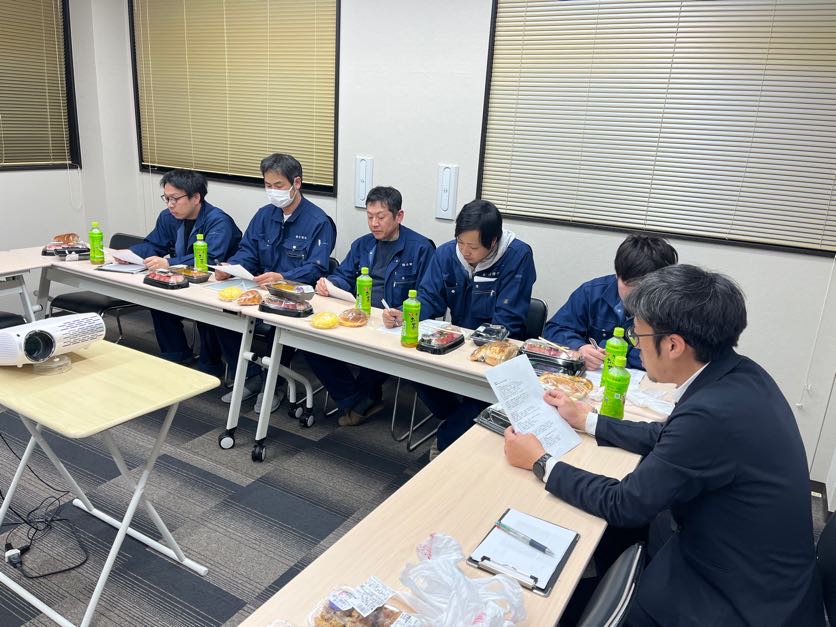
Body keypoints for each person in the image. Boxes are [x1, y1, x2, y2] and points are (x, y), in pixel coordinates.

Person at [504, 264, 823, 626]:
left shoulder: (712, 414)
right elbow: (668, 436)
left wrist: (541, 462)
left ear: (673, 345)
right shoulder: (740, 374)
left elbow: (625, 503)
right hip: (754, 562)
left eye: (637, 334)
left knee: (583, 567)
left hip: (740, 597)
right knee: (616, 539)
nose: (633, 343)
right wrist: (587, 420)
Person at [386, 199, 536, 456]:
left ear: (493, 241)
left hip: (496, 353)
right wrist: (404, 313)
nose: (465, 252)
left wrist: (472, 346)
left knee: (480, 396)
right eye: (460, 242)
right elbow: (430, 298)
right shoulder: (447, 254)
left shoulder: (517, 255)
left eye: (473, 247)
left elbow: (507, 320)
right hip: (455, 345)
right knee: (415, 368)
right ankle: (459, 420)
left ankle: (449, 436)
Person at [214, 153, 335, 412]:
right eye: (268, 185)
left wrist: (282, 278)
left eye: (278, 185)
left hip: (294, 297)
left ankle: (274, 384)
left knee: (277, 325)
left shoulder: (319, 222)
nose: (272, 191)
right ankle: (251, 377)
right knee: (223, 314)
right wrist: (230, 268)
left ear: (296, 183)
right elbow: (248, 251)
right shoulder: (264, 215)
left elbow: (317, 268)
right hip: (260, 290)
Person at [305, 186, 435, 426]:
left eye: (381, 217)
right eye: (370, 216)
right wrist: (330, 284)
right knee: (310, 342)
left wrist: (401, 314)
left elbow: (428, 296)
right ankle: (357, 398)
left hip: (392, 325)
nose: (374, 223)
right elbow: (344, 275)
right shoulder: (362, 245)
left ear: (399, 216)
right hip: (359, 317)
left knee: (378, 349)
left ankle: (361, 399)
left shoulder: (420, 248)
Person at [126, 169, 241, 375]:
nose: (170, 205)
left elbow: (209, 259)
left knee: (208, 312)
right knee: (159, 300)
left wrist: (169, 263)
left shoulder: (218, 221)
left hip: (217, 284)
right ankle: (176, 355)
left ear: (196, 197)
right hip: (185, 280)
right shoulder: (168, 217)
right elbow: (154, 244)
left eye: (175, 199)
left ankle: (210, 367)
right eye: (166, 198)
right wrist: (129, 253)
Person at [543, 234, 677, 371]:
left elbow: (675, 357)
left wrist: (623, 356)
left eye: (647, 288)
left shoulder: (674, 306)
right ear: (617, 275)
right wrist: (579, 348)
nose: (638, 294)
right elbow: (553, 330)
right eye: (631, 285)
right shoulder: (591, 292)